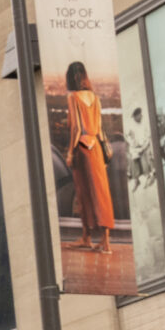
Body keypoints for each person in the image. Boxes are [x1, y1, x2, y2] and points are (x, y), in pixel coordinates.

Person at [65, 59, 116, 250]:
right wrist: (104, 150)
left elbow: (77, 128)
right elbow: (100, 129)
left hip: (82, 149)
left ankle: (87, 236)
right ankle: (105, 240)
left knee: (83, 192)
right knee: (101, 192)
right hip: (96, 149)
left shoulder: (73, 98)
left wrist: (70, 152)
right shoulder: (95, 98)